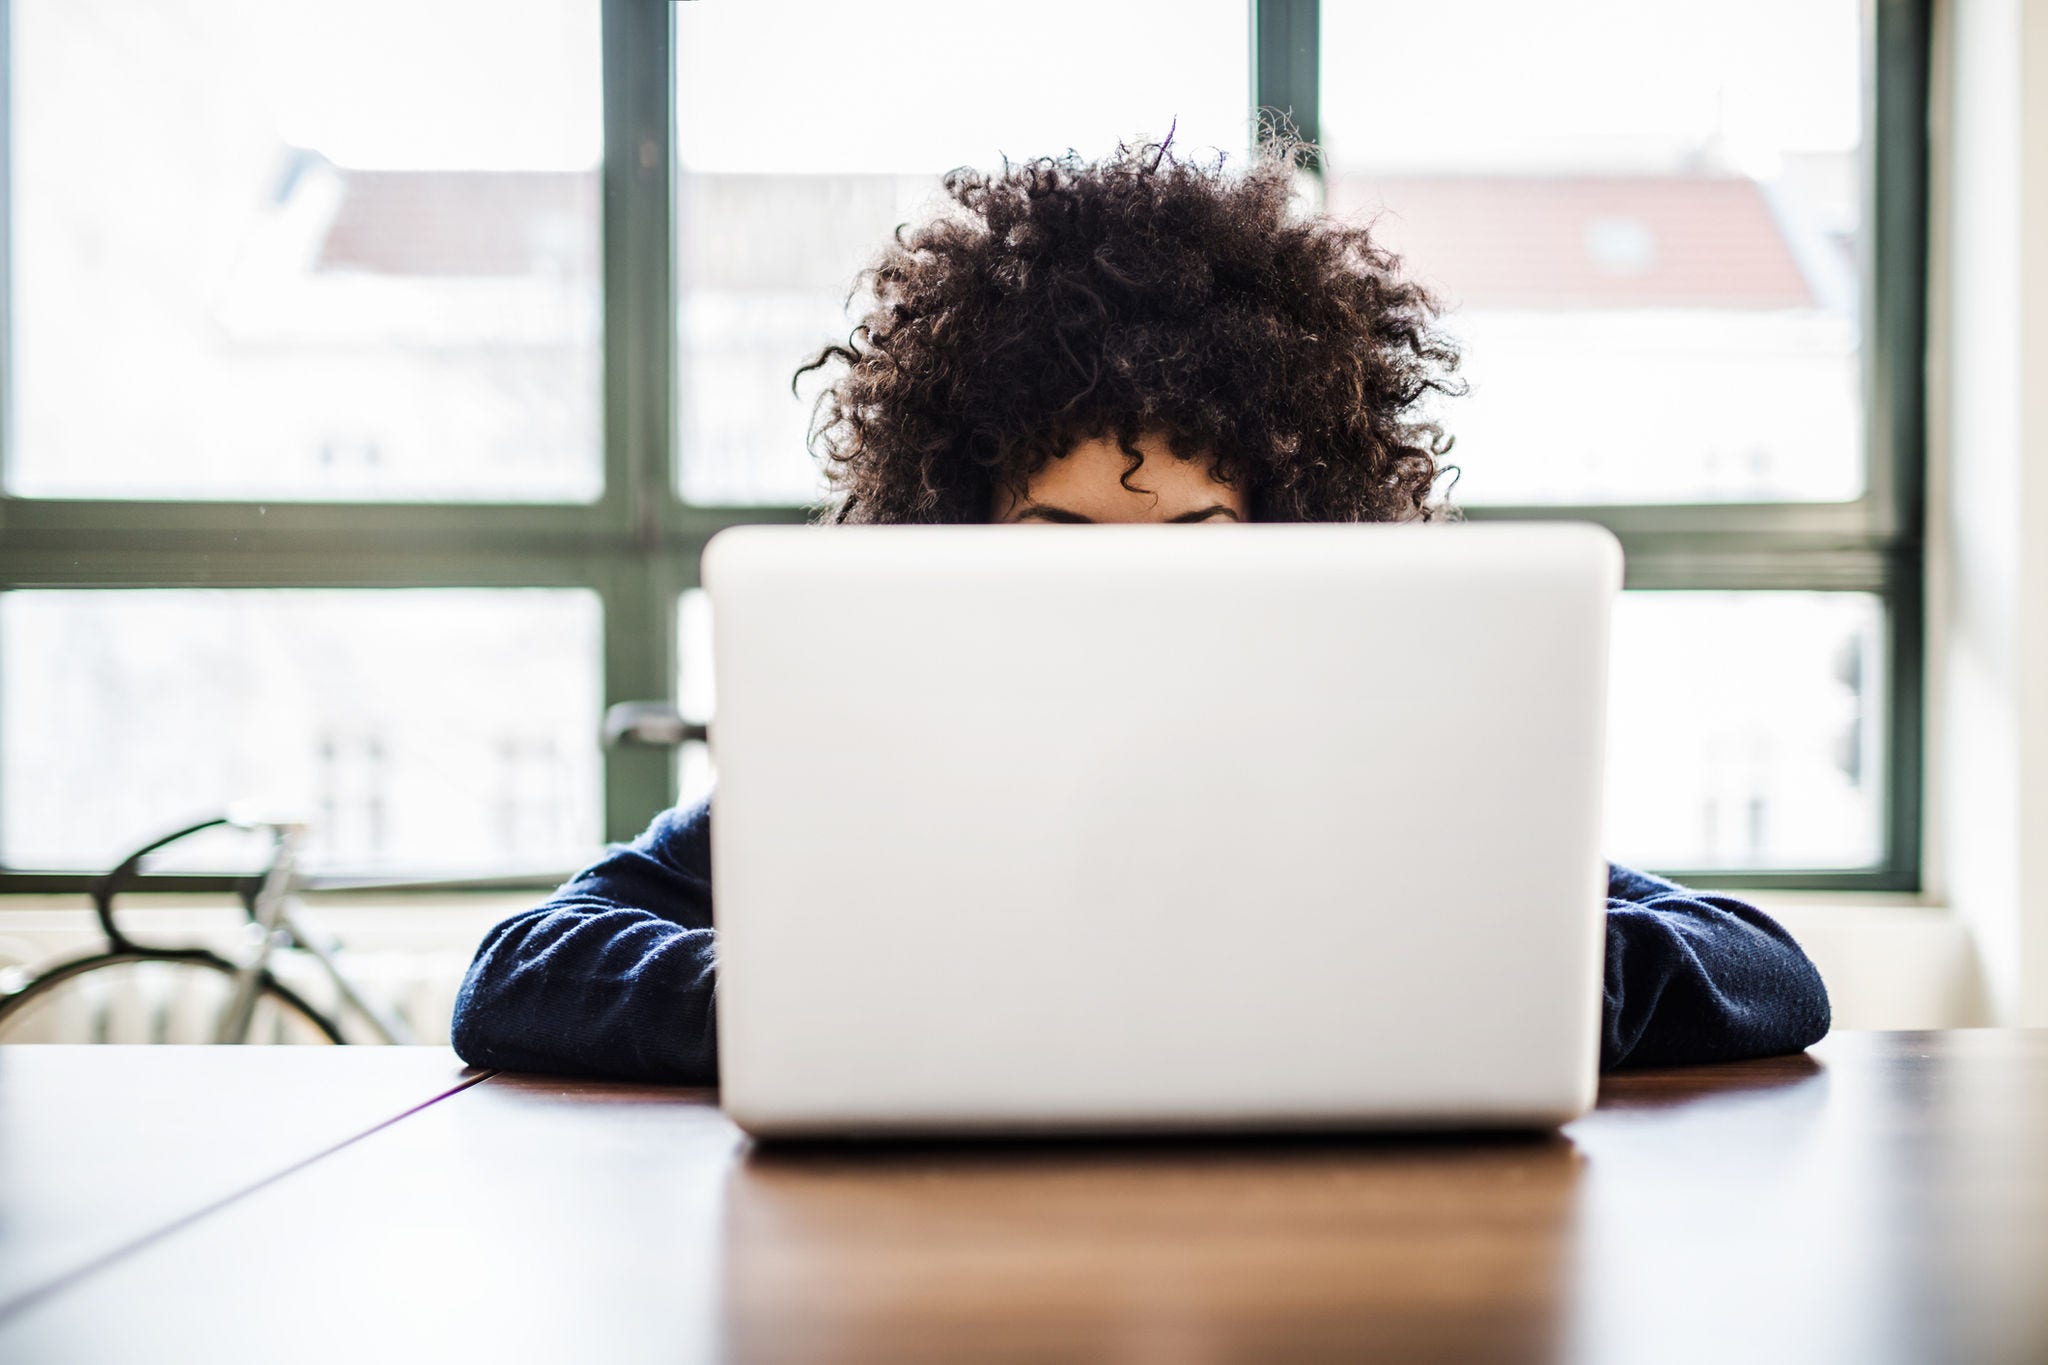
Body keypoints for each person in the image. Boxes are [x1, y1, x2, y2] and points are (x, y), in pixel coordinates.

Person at [452, 140, 1830, 1083]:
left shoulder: (1359, 769)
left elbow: (1765, 969)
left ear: (1295, 531)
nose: (1124, 586)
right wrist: (841, 1003)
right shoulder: (878, 770)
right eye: (1058, 536)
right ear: (957, 526)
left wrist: (1476, 981)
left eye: (1194, 535)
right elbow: (524, 968)